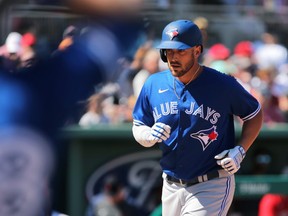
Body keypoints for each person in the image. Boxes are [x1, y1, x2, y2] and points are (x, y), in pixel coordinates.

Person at [132, 19, 263, 216]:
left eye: (180, 51)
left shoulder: (221, 84)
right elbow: (139, 123)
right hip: (171, 185)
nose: (173, 57)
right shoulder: (153, 83)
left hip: (211, 183)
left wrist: (241, 150)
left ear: (197, 51)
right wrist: (146, 134)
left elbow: (254, 113)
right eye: (169, 51)